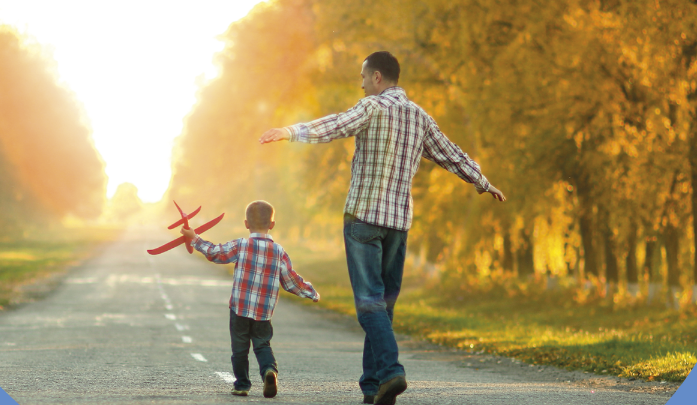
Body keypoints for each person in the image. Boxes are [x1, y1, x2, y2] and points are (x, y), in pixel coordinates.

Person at [259, 51, 506, 404]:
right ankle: (374, 387)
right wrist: (482, 181)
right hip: (398, 226)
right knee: (384, 307)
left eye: (363, 77)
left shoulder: (372, 107)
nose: (360, 84)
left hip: (363, 220)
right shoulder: (420, 117)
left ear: (377, 77)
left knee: (370, 305)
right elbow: (452, 154)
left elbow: (335, 125)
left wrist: (289, 131)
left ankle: (390, 372)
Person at [180, 200, 320, 398]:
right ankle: (269, 371)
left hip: (240, 309)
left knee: (239, 348)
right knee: (262, 345)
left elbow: (215, 253)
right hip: (264, 312)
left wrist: (194, 238)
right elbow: (291, 281)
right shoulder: (279, 251)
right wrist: (311, 293)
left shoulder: (241, 245)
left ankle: (242, 385)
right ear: (272, 225)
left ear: (246, 224)